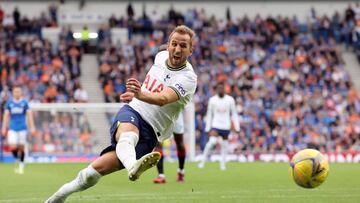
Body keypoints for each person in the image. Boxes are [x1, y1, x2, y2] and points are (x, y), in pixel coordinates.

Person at [45, 25, 197, 203]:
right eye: (174, 44)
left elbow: (163, 98)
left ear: (190, 50)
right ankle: (133, 166)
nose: (177, 49)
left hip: (151, 133)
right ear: (168, 45)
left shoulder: (188, 78)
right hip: (133, 110)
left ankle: (57, 198)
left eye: (183, 46)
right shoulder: (160, 56)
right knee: (128, 134)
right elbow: (153, 86)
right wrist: (138, 96)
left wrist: (140, 94)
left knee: (92, 173)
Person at [198, 82, 239, 170]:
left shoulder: (230, 100)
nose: (220, 90)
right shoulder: (212, 100)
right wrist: (208, 127)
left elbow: (234, 113)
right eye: (219, 89)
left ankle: (222, 164)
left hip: (226, 126)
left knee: (224, 145)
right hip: (216, 125)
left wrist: (237, 126)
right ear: (216, 90)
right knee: (212, 142)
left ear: (224, 90)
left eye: (222, 88)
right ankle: (202, 162)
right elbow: (209, 114)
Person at [1, 85, 36, 174]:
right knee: (12, 147)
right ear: (13, 92)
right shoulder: (9, 103)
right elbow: (6, 116)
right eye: (15, 91)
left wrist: (32, 127)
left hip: (22, 128)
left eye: (19, 91)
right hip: (12, 128)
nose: (17, 93)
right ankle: (19, 159)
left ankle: (21, 164)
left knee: (21, 147)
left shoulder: (24, 103)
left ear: (21, 92)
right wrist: (4, 127)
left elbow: (29, 115)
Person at [153, 113, 186, 184]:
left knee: (180, 143)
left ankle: (181, 171)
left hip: (175, 114)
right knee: (158, 142)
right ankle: (161, 175)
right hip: (161, 113)